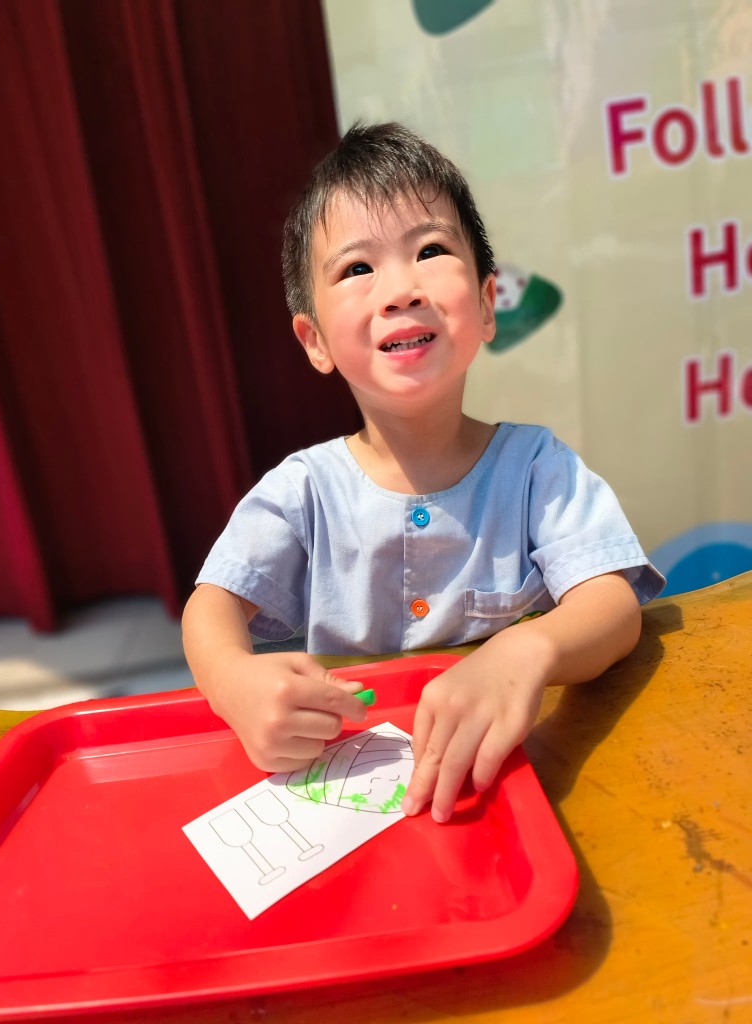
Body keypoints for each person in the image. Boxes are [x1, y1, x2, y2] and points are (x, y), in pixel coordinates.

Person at [182, 122, 665, 824]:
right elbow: (211, 607)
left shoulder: (537, 467)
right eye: (357, 268)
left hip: (509, 785)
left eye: (431, 251)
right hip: (350, 798)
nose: (401, 289)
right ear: (314, 340)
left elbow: (613, 606)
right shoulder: (302, 490)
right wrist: (233, 682)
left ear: (488, 303)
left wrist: (527, 650)